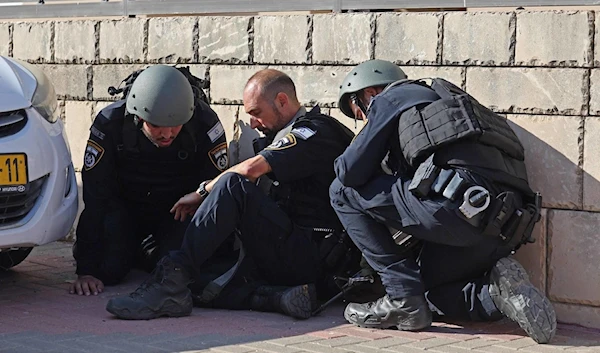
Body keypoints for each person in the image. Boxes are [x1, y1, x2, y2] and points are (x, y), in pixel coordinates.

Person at [329, 59, 557, 343]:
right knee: (427, 295)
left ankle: (401, 296)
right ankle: (496, 293)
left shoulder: (393, 97)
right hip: (505, 229)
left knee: (340, 191)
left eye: (359, 112)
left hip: (456, 210)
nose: (364, 120)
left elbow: (349, 172)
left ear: (369, 94)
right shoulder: (451, 103)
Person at [104, 69, 355, 320]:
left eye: (256, 113)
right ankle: (276, 298)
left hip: (313, 257)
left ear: (281, 101)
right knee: (198, 276)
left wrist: (203, 191)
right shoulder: (284, 136)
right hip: (285, 252)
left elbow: (249, 170)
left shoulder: (316, 131)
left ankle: (169, 284)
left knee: (232, 184)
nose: (253, 123)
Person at [70, 65, 228, 296]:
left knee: (174, 269)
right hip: (125, 209)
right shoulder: (110, 124)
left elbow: (215, 192)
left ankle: (150, 252)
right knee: (107, 272)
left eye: (176, 126)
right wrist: (85, 270)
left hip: (177, 211)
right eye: (155, 126)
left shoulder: (204, 124)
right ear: (138, 115)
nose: (167, 134)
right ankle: (130, 249)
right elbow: (95, 195)